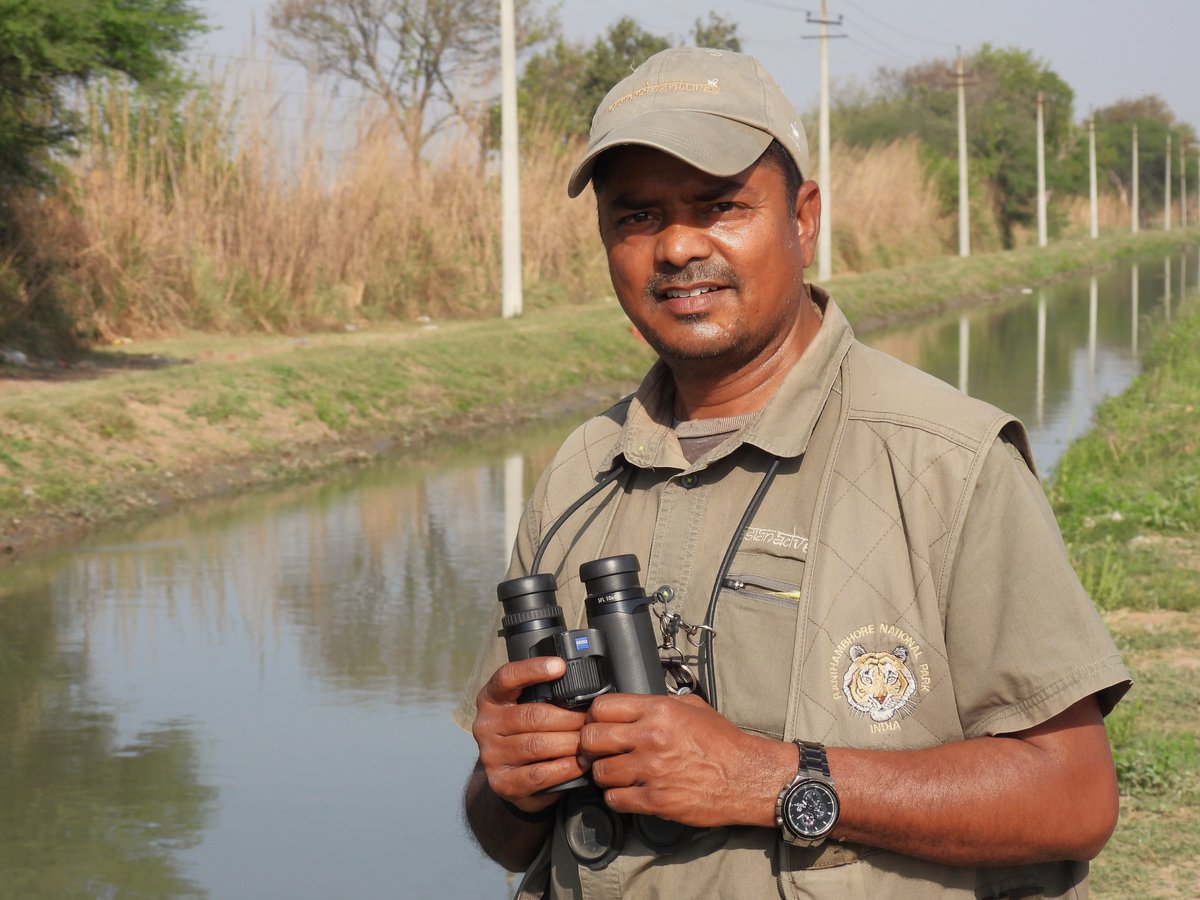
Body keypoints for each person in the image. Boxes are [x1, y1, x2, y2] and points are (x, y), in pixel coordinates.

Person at [454, 47, 1130, 899]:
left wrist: (768, 778)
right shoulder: (580, 473)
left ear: (803, 219)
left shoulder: (945, 461)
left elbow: (1072, 797)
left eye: (721, 206)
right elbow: (507, 838)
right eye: (637, 217)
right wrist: (509, 780)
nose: (677, 246)